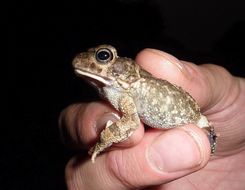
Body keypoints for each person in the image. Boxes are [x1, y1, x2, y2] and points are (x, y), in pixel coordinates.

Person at [59, 48, 245, 190]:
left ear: (123, 66)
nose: (94, 61)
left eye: (103, 57)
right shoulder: (119, 93)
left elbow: (130, 122)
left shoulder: (128, 93)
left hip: (196, 121)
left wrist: (102, 141)